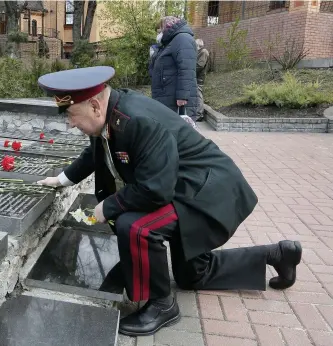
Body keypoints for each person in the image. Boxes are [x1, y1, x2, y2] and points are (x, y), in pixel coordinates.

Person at [36, 66, 303, 336]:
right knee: (192, 275)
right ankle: (278, 254)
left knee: (136, 224)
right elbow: (95, 152)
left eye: (71, 114)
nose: (70, 123)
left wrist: (109, 206)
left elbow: (154, 190)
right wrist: (61, 180)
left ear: (94, 105)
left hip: (205, 191)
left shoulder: (136, 120)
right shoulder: (111, 114)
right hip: (185, 186)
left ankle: (162, 305)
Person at [149, 16, 199, 121]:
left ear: (166, 27)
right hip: (168, 96)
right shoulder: (170, 42)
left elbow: (187, 69)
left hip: (177, 102)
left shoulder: (182, 39)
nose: (158, 34)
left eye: (159, 31)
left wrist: (182, 96)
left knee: (180, 132)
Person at [195, 38, 210, 122]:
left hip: (199, 78)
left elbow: (200, 65)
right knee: (197, 94)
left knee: (198, 95)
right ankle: (198, 113)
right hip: (197, 77)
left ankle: (199, 114)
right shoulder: (200, 52)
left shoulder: (203, 52)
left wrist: (190, 70)